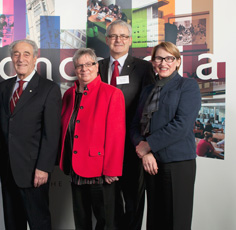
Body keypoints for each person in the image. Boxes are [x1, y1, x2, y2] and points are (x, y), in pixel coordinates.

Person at [130, 41, 201, 230]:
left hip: (177, 163)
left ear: (177, 62)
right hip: (151, 164)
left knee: (176, 222)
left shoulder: (187, 86)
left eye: (169, 58)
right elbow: (136, 124)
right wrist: (145, 152)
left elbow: (182, 125)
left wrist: (149, 145)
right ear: (153, 62)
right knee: (155, 220)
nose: (163, 63)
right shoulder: (147, 90)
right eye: (159, 58)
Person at [0, 39, 61, 230]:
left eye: (26, 54)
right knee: (12, 224)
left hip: (33, 171)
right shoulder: (4, 87)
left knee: (38, 222)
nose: (20, 58)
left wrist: (43, 168)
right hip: (7, 169)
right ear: (11, 57)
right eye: (16, 54)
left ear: (35, 58)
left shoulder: (49, 89)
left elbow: (52, 133)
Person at [59, 48, 125, 230]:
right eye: (80, 65)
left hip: (100, 171)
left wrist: (112, 169)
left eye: (89, 64)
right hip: (75, 168)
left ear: (97, 67)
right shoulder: (69, 95)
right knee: (81, 221)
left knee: (106, 222)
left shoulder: (112, 93)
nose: (84, 69)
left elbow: (116, 135)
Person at [98, 19, 154, 230]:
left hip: (132, 146)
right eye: (113, 36)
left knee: (133, 203)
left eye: (123, 36)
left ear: (130, 40)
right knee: (108, 205)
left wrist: (144, 144)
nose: (118, 40)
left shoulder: (144, 68)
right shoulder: (98, 67)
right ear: (107, 39)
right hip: (103, 148)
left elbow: (148, 109)